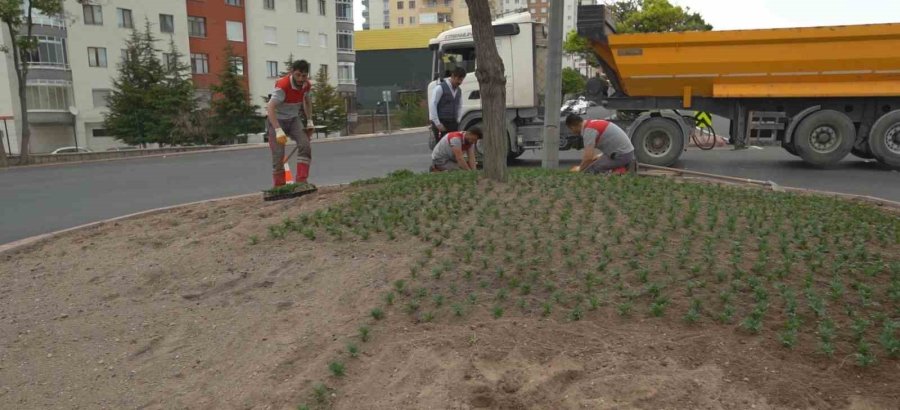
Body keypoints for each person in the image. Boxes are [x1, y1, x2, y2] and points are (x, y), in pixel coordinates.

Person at [267, 60, 315, 188]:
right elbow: (270, 107)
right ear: (292, 73)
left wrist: (309, 121)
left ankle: (301, 181)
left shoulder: (306, 85)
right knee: (278, 155)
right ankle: (280, 187)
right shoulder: (283, 86)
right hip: (277, 120)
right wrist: (277, 130)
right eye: (298, 75)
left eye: (304, 76)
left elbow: (307, 101)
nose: (300, 79)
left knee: (305, 145)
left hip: (294, 120)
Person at [565, 114, 635, 174]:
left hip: (622, 155)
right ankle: (618, 168)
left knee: (589, 171)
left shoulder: (589, 131)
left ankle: (619, 171)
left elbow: (588, 158)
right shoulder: (592, 123)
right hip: (625, 151)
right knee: (593, 162)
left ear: (573, 126)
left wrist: (580, 170)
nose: (572, 131)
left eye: (571, 129)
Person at [428, 67, 466, 147]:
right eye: (458, 79)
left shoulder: (459, 90)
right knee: (442, 147)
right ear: (452, 76)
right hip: (442, 122)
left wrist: (458, 120)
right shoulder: (440, 88)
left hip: (453, 122)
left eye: (461, 80)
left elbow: (460, 106)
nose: (460, 82)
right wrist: (437, 123)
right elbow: (433, 105)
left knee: (453, 146)